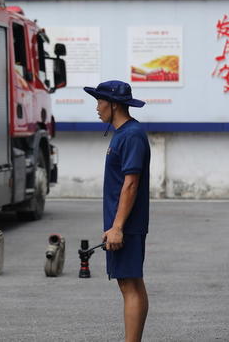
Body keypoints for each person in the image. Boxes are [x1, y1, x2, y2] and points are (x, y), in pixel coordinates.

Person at [84, 80, 150, 342]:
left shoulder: (132, 135)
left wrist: (118, 226)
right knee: (130, 283)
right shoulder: (123, 134)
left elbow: (131, 184)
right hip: (121, 223)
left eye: (100, 102)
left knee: (130, 284)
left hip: (128, 225)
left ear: (113, 104)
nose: (97, 108)